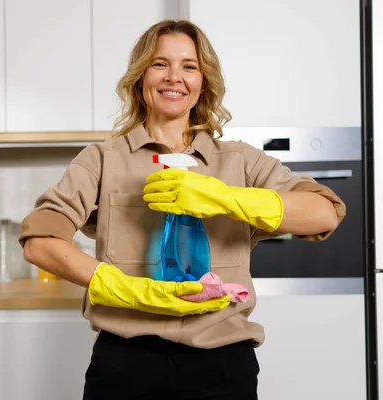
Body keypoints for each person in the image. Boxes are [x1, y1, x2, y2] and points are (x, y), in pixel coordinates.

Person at [18, 19, 345, 400]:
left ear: (203, 81)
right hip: (126, 365)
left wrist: (227, 198)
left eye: (189, 66)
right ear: (141, 77)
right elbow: (39, 242)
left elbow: (324, 213)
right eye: (160, 64)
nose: (175, 77)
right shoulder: (102, 160)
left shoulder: (240, 162)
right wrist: (123, 289)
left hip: (223, 367)